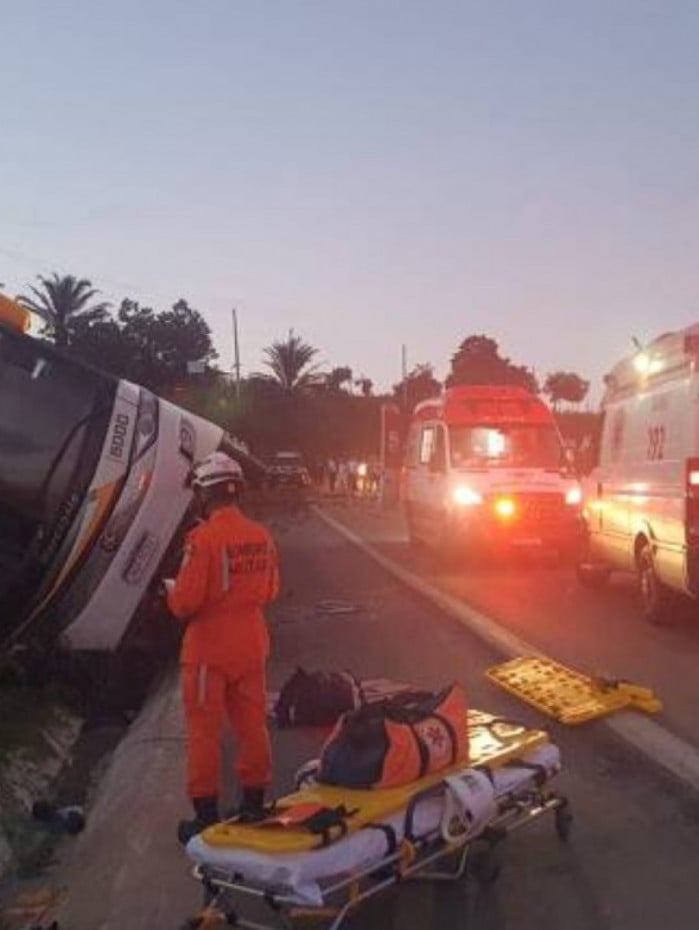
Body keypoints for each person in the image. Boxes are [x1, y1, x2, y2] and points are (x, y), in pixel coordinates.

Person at [166, 451, 279, 843]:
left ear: (204, 494)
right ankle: (253, 803)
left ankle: (205, 816)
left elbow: (185, 602)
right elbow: (270, 590)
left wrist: (170, 592)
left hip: (208, 651)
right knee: (252, 726)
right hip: (250, 643)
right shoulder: (261, 536)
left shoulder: (202, 540)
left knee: (204, 732)